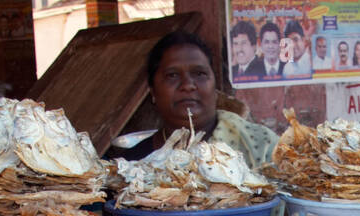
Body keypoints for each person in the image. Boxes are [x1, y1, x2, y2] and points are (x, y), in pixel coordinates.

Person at [107, 31, 278, 169]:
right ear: (153, 92)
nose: (188, 85)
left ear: (215, 87)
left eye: (199, 74)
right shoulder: (132, 165)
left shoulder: (265, 147)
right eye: (172, 75)